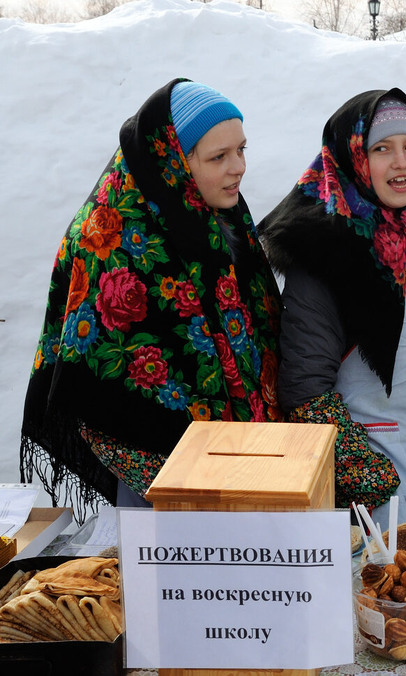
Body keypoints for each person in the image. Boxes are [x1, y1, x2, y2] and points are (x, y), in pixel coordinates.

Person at [20, 79, 281, 517]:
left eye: (242, 149)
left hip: (235, 471)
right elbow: (99, 388)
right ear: (174, 159)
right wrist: (182, 488)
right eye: (219, 156)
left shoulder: (212, 208)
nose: (238, 167)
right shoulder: (111, 237)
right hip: (160, 482)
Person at [258, 90, 406, 525]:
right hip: (363, 487)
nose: (401, 162)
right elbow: (307, 389)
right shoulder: (324, 255)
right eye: (382, 149)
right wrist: (366, 476)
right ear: (352, 157)